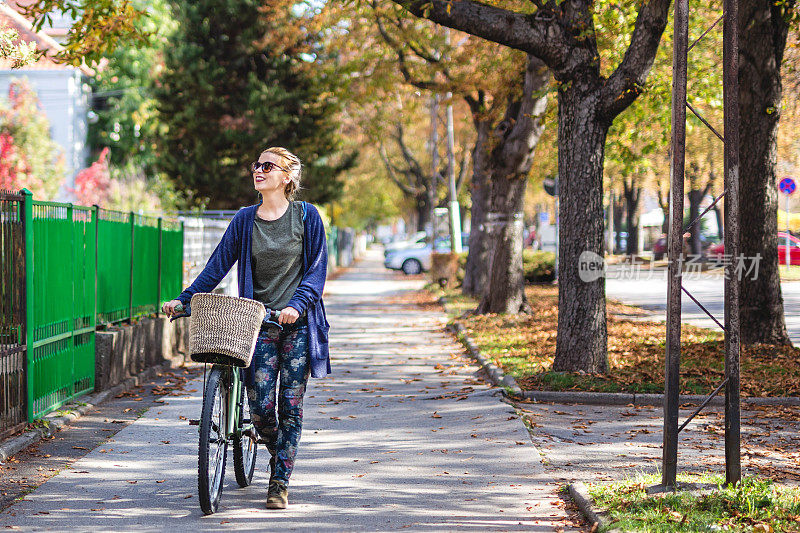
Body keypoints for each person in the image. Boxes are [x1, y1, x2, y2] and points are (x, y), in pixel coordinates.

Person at [163, 147, 330, 510]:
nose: (259, 169)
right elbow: (217, 266)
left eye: (267, 165)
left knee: (290, 405)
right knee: (260, 407)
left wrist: (295, 306)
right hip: (256, 325)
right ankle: (279, 449)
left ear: (287, 176)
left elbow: (317, 273)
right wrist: (185, 299)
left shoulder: (307, 217)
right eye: (257, 164)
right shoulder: (244, 220)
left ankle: (280, 481)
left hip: (297, 326)